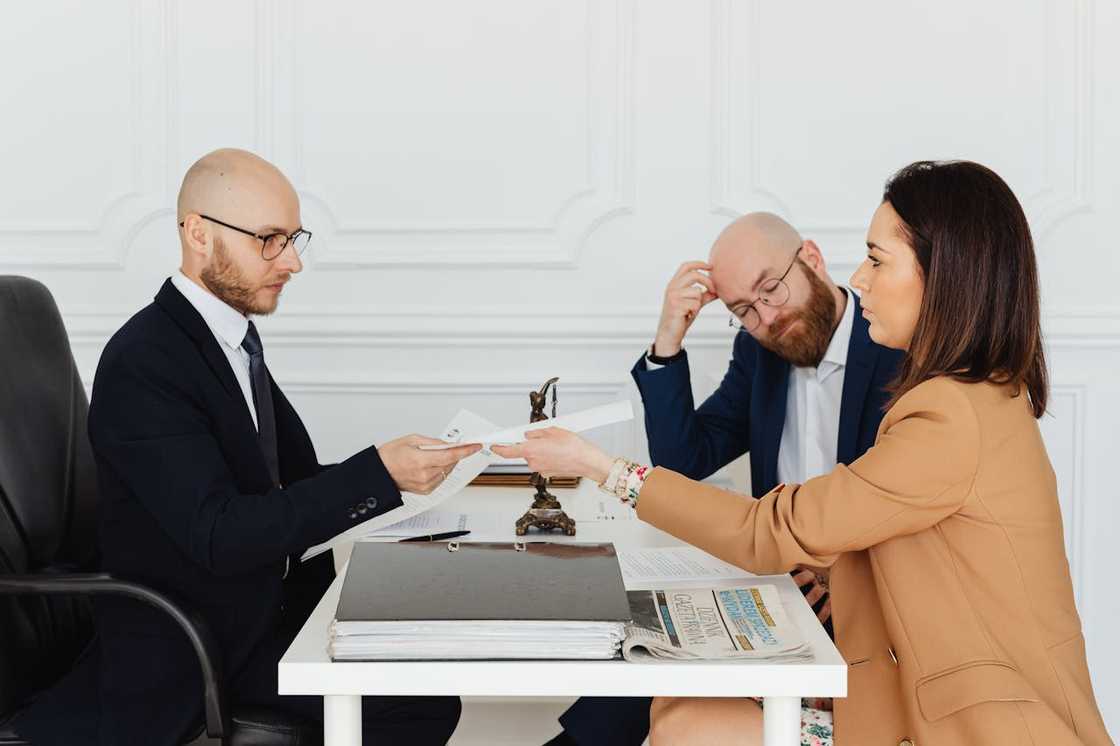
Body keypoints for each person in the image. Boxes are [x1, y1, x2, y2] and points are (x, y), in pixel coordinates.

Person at [499, 161, 1112, 745]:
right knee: (676, 697)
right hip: (866, 645)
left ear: (943, 275)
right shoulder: (972, 392)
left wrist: (601, 468)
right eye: (744, 310)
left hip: (961, 722)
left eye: (876, 260)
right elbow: (698, 464)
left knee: (688, 723)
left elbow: (776, 528)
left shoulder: (946, 412)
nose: (862, 278)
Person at [80, 148, 478, 744]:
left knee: (424, 666)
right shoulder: (146, 360)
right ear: (198, 235)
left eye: (293, 238)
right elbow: (219, 531)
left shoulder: (231, 340)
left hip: (265, 609)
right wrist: (378, 476)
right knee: (417, 705)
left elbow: (287, 478)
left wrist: (404, 472)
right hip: (199, 643)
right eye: (268, 239)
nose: (290, 261)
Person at [551, 212, 903, 745]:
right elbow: (686, 459)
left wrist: (840, 574)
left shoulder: (898, 347)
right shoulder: (760, 353)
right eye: (745, 310)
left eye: (771, 290)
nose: (768, 317)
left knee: (667, 697)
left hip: (866, 611)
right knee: (649, 650)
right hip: (777, 585)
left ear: (810, 258)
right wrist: (668, 339)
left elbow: (913, 500)